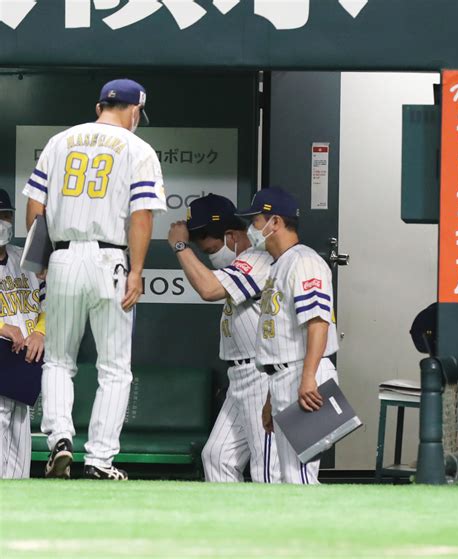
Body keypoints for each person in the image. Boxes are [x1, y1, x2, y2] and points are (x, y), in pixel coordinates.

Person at [23, 79, 167, 481]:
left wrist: (42, 258)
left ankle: (60, 441)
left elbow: (35, 207)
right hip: (109, 259)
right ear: (135, 110)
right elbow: (142, 215)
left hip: (64, 255)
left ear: (100, 104)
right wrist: (136, 271)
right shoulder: (138, 148)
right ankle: (100, 459)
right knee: (115, 368)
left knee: (58, 359)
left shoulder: (60, 141)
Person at [168, 194, 280, 483]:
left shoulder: (258, 258)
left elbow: (209, 289)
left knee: (268, 469)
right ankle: (231, 525)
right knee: (217, 457)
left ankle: (274, 526)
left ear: (231, 235)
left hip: (261, 374)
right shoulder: (242, 262)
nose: (211, 255)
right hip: (240, 376)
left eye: (212, 248)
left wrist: (180, 247)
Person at [235, 187, 339, 484]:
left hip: (305, 374)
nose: (252, 229)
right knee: (288, 476)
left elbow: (318, 322)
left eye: (256, 221)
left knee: (300, 477)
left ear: (275, 222)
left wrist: (308, 377)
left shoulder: (304, 261)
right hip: (285, 376)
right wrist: (270, 396)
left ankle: (325, 531)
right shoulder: (281, 264)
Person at [0, 189, 46, 479]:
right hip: (2, 354)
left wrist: (41, 332)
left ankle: (17, 514)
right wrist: (2, 327)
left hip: (25, 360)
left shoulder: (26, 260)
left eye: (4, 215)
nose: (1, 222)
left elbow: (51, 302)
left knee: (19, 438)